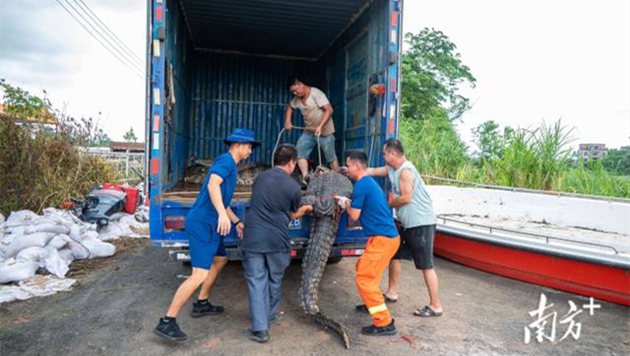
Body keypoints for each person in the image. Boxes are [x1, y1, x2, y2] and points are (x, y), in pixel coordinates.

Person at [153, 128, 260, 342]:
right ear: (238, 145)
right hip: (203, 223)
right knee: (199, 274)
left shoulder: (231, 165)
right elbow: (212, 185)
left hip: (212, 224)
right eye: (249, 146)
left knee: (220, 260)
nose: (250, 150)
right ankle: (167, 321)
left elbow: (223, 199)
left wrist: (236, 221)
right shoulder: (226, 162)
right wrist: (221, 215)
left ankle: (201, 303)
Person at [239, 144, 314, 343]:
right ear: (291, 163)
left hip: (253, 238)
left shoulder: (260, 178)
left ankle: (260, 327)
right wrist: (306, 209)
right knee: (274, 279)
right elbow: (292, 214)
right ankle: (268, 316)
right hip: (277, 240)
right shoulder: (293, 187)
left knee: (256, 281)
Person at [366, 138, 443, 317]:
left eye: (385, 153)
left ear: (393, 154)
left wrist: (386, 205)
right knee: (395, 254)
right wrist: (358, 171)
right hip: (407, 223)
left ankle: (435, 305)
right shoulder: (392, 168)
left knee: (426, 265)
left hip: (421, 222)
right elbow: (373, 171)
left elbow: (406, 197)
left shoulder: (406, 171)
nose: (383, 156)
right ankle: (392, 292)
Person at [335, 150, 400, 336]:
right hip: (383, 238)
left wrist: (344, 203)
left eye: (348, 165)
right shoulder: (367, 183)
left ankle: (384, 323)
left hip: (383, 239)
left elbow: (354, 215)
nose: (346, 169)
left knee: (365, 278)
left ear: (357, 166)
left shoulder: (362, 185)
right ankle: (373, 302)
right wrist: (349, 202)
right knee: (364, 268)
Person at [285, 76, 339, 184]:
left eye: (295, 90)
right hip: (309, 132)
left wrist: (320, 126)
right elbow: (290, 107)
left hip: (325, 132)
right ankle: (306, 178)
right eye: (293, 92)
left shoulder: (316, 94)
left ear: (301, 85)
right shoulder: (297, 99)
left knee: (331, 158)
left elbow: (329, 110)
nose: (295, 94)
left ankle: (338, 180)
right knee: (300, 152)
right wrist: (287, 121)